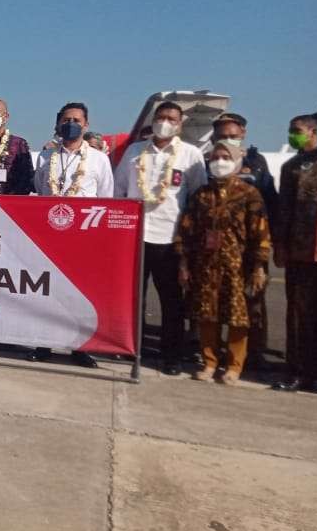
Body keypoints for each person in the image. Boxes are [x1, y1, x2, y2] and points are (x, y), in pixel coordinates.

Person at [115, 101, 208, 374]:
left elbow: (197, 197)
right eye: (161, 117)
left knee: (172, 302)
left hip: (170, 239)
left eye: (171, 118)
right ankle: (134, 349)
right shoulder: (134, 152)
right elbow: (119, 191)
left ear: (179, 124)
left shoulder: (190, 155)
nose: (165, 122)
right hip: (135, 237)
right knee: (134, 299)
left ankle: (171, 356)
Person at [175, 140, 271, 385]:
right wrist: (184, 262)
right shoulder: (202, 194)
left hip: (238, 266)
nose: (219, 162)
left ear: (237, 161)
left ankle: (234, 365)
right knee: (207, 314)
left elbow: (260, 232)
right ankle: (209, 362)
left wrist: (259, 266)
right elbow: (187, 229)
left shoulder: (249, 194)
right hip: (206, 264)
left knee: (238, 318)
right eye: (215, 157)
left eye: (225, 157)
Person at [30, 103, 114, 368]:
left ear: (86, 124)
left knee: (79, 294)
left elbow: (105, 196)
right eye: (66, 120)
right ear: (57, 124)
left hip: (83, 238)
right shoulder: (45, 157)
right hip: (50, 235)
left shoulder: (99, 160)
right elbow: (38, 188)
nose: (71, 124)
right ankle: (44, 343)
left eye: (76, 120)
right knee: (47, 291)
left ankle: (80, 347)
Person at [211, 112, 279, 367]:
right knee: (212, 299)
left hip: (248, 247)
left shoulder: (256, 162)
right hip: (215, 247)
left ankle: (254, 352)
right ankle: (209, 350)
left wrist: (267, 244)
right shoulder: (209, 160)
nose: (227, 140)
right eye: (222, 136)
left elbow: (271, 202)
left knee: (252, 302)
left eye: (233, 136)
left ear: (243, 134)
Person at [272, 113, 317, 392]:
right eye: (291, 130)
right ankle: (298, 372)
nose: (293, 135)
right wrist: (280, 244)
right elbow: (284, 210)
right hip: (300, 251)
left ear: (313, 131)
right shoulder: (291, 166)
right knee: (299, 314)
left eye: (298, 130)